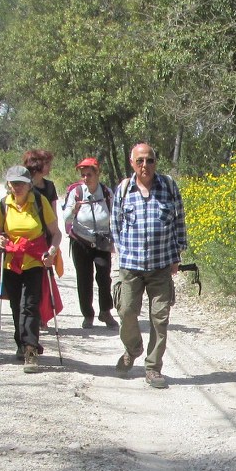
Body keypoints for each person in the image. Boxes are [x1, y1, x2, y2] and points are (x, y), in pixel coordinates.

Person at [111, 142, 188, 389]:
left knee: (160, 318)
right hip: (131, 265)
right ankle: (133, 348)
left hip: (161, 265)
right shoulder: (124, 189)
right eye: (140, 160)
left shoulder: (168, 186)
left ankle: (153, 368)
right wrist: (121, 254)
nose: (145, 165)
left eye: (150, 160)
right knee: (126, 311)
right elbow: (116, 224)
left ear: (156, 162)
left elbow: (179, 221)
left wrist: (177, 256)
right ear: (132, 163)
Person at [0, 165, 62, 373]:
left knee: (30, 305)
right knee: (16, 306)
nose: (18, 187)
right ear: (8, 184)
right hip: (12, 260)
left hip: (34, 260)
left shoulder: (39, 202)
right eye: (14, 183)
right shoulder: (4, 204)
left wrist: (52, 251)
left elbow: (55, 233)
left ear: (29, 184)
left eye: (21, 183)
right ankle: (21, 344)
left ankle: (31, 349)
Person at [61, 156, 117, 330]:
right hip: (80, 241)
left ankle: (105, 311)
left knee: (104, 276)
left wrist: (116, 238)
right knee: (84, 279)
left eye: (89, 174)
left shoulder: (107, 193)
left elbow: (115, 216)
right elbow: (65, 218)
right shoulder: (76, 193)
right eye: (83, 174)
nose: (86, 178)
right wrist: (73, 210)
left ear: (97, 173)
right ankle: (88, 314)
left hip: (102, 241)